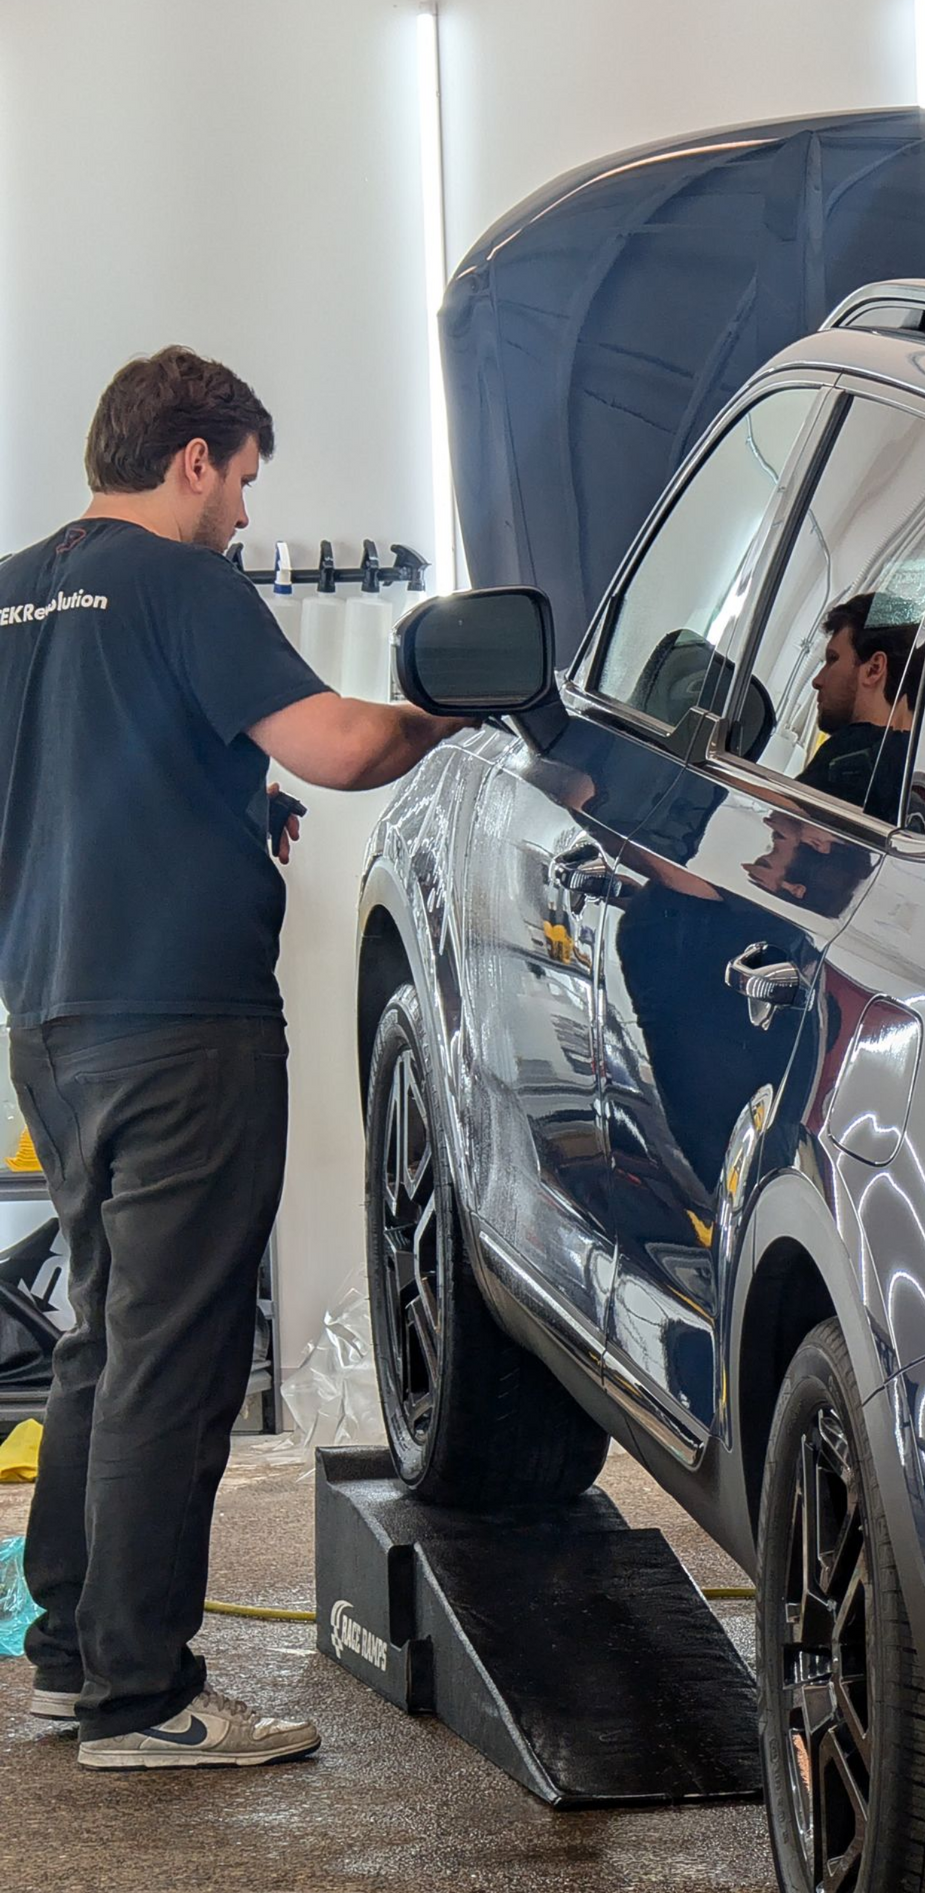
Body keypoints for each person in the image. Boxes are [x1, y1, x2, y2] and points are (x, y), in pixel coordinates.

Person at [0, 346, 470, 1771]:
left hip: (53, 1023)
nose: (249, 520)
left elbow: (81, 779)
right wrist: (447, 715)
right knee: (177, 1359)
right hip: (183, 1027)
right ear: (192, 457)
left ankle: (73, 1658)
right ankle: (148, 1700)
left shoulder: (16, 591)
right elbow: (335, 746)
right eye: (246, 482)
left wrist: (214, 804)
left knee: (103, 1339)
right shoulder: (184, 580)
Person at [796, 594, 921, 819]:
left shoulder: (847, 757)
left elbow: (783, 820)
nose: (817, 680)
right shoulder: (916, 773)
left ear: (874, 669)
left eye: (833, 659)